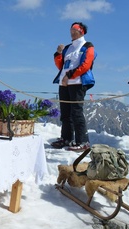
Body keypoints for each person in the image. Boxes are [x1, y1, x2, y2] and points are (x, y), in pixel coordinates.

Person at [51, 22, 96, 151]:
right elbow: (61, 66)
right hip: (64, 83)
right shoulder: (68, 47)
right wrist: (58, 54)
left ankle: (83, 141)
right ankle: (66, 138)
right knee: (65, 113)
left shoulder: (88, 46)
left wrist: (69, 75)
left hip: (77, 83)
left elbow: (86, 65)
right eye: (71, 29)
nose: (71, 31)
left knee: (76, 112)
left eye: (74, 29)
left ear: (81, 31)